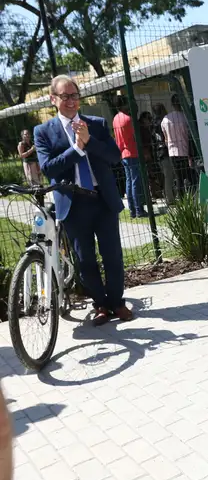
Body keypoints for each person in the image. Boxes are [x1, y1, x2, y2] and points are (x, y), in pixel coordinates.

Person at [35, 75, 134, 325]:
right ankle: (100, 304)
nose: (71, 101)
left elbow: (113, 156)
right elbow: (49, 169)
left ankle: (117, 302)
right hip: (74, 202)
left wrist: (89, 142)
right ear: (53, 99)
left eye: (75, 95)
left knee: (112, 254)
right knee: (85, 258)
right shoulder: (43, 132)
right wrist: (77, 149)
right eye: (65, 96)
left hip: (102, 199)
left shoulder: (97, 124)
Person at [114, 96, 147, 218]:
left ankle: (132, 210)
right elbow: (135, 137)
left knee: (129, 181)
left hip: (123, 153)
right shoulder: (129, 119)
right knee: (135, 182)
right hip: (132, 152)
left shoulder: (116, 118)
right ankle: (139, 210)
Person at [161, 95, 192, 199]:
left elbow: (165, 138)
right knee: (189, 177)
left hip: (172, 152)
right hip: (185, 151)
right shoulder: (186, 117)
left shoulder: (165, 119)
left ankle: (182, 199)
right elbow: (189, 134)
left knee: (178, 178)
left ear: (172, 104)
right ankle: (192, 197)